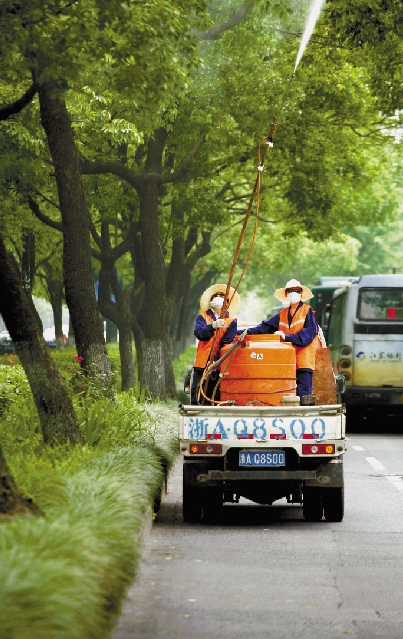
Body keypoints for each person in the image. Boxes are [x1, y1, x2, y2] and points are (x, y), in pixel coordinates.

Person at [238, 279, 319, 398]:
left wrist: (286, 337)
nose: (294, 293)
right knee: (285, 391)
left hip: (303, 359)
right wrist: (240, 332)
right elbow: (263, 328)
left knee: (303, 393)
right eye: (291, 290)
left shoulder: (308, 311)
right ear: (286, 294)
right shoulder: (282, 314)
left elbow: (307, 336)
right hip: (285, 359)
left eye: (297, 290)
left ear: (301, 294)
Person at [191, 284, 240, 405]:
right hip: (202, 362)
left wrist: (215, 360)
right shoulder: (202, 317)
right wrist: (212, 326)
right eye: (216, 296)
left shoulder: (231, 321)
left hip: (218, 363)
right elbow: (200, 334)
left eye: (222, 296)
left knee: (214, 393)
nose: (218, 298)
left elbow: (226, 343)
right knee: (196, 391)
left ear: (227, 303)